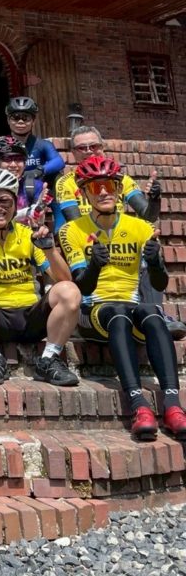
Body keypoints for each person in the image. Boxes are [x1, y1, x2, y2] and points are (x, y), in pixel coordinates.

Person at [58, 155, 186, 441]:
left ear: (119, 189)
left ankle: (173, 405)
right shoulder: (71, 230)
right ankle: (138, 404)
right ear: (84, 193)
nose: (103, 192)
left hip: (132, 306)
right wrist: (94, 265)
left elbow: (160, 283)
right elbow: (82, 287)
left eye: (110, 186)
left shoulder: (141, 227)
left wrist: (156, 263)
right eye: (95, 187)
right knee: (117, 312)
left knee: (153, 313)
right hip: (94, 310)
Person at [54, 125, 183, 338]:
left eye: (94, 146)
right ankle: (92, 312)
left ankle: (155, 314)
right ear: (73, 153)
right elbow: (75, 223)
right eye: (81, 148)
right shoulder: (66, 183)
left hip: (118, 236)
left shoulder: (120, 179)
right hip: (88, 241)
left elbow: (147, 215)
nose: (88, 151)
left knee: (148, 252)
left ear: (103, 147)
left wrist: (155, 199)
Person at [0, 168, 80, 387]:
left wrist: (50, 249)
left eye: (4, 201)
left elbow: (64, 279)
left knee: (70, 291)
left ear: (15, 203)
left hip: (31, 315)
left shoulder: (27, 234)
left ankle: (49, 360)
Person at [0, 97, 65, 185]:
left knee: (58, 176)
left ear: (33, 121)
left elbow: (59, 161)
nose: (21, 121)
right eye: (15, 117)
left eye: (26, 118)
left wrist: (38, 171)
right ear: (8, 121)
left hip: (36, 185)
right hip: (7, 186)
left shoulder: (44, 145)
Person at [0, 137, 47, 225]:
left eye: (19, 159)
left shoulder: (35, 186)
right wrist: (27, 212)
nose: (13, 165)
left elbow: (38, 219)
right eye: (7, 159)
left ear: (25, 164)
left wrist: (40, 206)